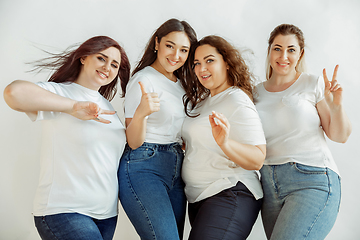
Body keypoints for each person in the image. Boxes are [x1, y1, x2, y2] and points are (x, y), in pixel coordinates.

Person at [3, 36, 131, 240]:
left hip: (106, 216)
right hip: (63, 211)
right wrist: (72, 107)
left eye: (114, 64)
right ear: (83, 57)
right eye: (101, 58)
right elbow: (13, 92)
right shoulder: (59, 92)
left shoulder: (109, 108)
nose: (108, 67)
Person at [253, 24, 352, 240]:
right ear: (269, 51)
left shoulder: (312, 83)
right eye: (277, 48)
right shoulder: (255, 93)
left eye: (291, 49)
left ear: (300, 54)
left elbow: (340, 136)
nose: (283, 56)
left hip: (311, 180)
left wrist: (336, 107)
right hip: (269, 186)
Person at [117, 18, 197, 240]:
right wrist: (141, 112)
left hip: (175, 166)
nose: (176, 55)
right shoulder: (143, 80)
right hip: (144, 166)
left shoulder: (181, 83)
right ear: (157, 43)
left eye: (184, 50)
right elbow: (133, 141)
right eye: (170, 46)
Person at [181, 35, 266, 240]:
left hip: (229, 192)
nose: (202, 69)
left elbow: (257, 158)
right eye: (197, 63)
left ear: (226, 63)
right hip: (200, 198)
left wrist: (225, 143)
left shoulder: (236, 99)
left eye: (210, 60)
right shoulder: (202, 103)